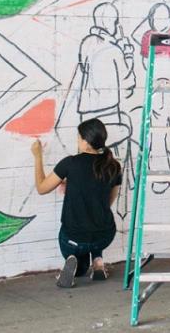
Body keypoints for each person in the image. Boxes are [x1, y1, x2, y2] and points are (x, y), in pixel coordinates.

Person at [31, 118, 123, 287]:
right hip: (105, 235)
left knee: (77, 259)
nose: (77, 141)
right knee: (97, 223)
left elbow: (42, 188)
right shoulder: (114, 166)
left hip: (74, 239)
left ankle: (72, 258)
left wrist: (37, 156)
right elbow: (107, 201)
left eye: (79, 138)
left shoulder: (70, 164)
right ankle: (97, 261)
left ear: (86, 142)